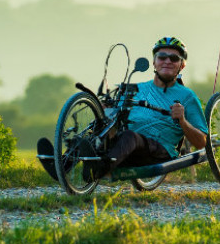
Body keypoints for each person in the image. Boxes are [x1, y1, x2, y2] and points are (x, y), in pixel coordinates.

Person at [82, 36, 209, 180]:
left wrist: (182, 120)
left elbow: (201, 143)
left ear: (182, 65)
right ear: (154, 62)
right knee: (98, 128)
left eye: (174, 58)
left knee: (130, 136)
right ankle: (62, 163)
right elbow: (115, 122)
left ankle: (98, 171)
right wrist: (106, 112)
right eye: (162, 57)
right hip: (126, 148)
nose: (167, 61)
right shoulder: (136, 89)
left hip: (159, 152)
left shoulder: (187, 96)